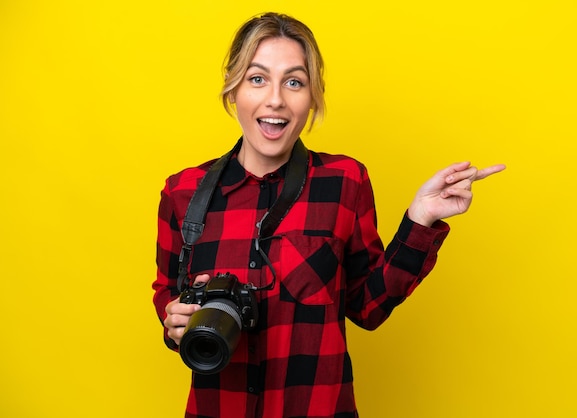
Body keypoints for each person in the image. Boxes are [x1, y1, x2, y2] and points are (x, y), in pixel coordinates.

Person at [153, 12, 505, 418]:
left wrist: (420, 219)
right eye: (257, 78)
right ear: (233, 90)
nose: (275, 100)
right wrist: (174, 318)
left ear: (312, 96)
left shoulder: (345, 182)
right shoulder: (182, 193)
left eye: (294, 82)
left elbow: (368, 309)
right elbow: (167, 291)